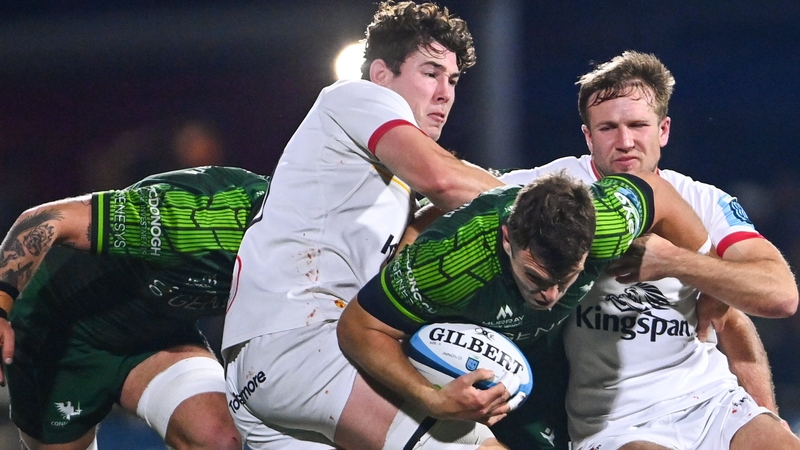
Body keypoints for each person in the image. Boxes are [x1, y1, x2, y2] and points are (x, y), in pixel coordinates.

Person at [221, 2, 504, 449]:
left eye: (452, 80)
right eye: (430, 72)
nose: (446, 92)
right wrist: (559, 209)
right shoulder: (356, 97)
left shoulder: (382, 177)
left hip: (257, 370)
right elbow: (446, 180)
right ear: (381, 73)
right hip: (302, 344)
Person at [499, 51, 800, 450]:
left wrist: (675, 261)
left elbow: (780, 296)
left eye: (638, 125)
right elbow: (459, 191)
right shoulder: (554, 191)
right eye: (608, 128)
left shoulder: (704, 200)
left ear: (664, 130)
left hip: (711, 401)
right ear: (588, 137)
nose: (625, 142)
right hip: (616, 424)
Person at [337, 169, 711, 450]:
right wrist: (433, 398)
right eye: (536, 276)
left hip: (542, 358)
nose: (550, 296)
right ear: (507, 237)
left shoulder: (609, 222)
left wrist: (713, 290)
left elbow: (659, 192)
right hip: (454, 367)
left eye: (566, 279)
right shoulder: (449, 264)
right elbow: (358, 327)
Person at [0, 166, 268, 450]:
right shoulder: (184, 216)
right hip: (60, 335)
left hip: (158, 339)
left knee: (220, 439)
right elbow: (44, 221)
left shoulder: (310, 250)